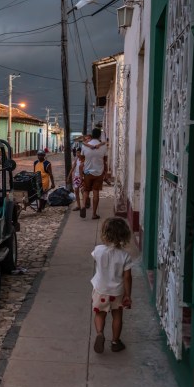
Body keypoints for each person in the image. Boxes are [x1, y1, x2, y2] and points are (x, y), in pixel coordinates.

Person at [91, 217, 133, 353]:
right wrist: (128, 294)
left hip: (100, 290)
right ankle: (115, 342)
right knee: (117, 316)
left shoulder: (98, 250)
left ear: (104, 234)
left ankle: (99, 334)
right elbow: (127, 277)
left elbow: (96, 260)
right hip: (117, 292)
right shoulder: (125, 256)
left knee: (99, 314)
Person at [80, 128, 107, 219]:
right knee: (96, 192)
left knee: (86, 190)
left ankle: (83, 205)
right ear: (99, 135)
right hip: (99, 172)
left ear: (91, 135)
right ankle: (94, 214)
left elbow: (82, 157)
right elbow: (105, 159)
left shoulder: (85, 146)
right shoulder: (103, 146)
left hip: (87, 171)